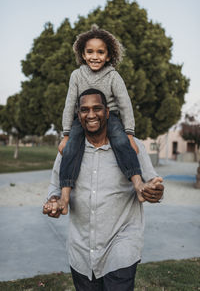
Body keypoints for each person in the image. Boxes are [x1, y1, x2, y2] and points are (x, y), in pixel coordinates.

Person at [43, 90, 164, 291]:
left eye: (97, 108)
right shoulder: (68, 150)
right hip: (81, 251)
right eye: (84, 110)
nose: (91, 115)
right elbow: (55, 186)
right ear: (78, 114)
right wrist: (55, 200)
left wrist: (155, 192)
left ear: (107, 112)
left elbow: (152, 183)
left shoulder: (132, 147)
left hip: (121, 244)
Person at [58, 25, 154, 213]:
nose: (95, 56)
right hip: (83, 120)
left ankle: (137, 184)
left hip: (111, 118)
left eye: (100, 52)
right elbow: (69, 104)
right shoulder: (77, 75)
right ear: (83, 54)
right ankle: (64, 196)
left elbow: (125, 103)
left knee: (121, 142)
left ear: (108, 55)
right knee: (70, 149)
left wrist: (129, 133)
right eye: (90, 52)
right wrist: (66, 134)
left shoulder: (113, 76)